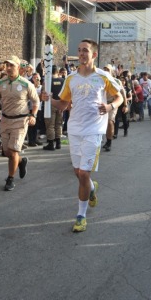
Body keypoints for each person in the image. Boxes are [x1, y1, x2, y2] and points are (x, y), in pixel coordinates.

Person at [41, 39, 122, 232]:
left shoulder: (103, 77)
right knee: (78, 173)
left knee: (84, 173)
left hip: (94, 130)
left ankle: (81, 215)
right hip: (75, 130)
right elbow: (63, 104)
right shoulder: (71, 78)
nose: (81, 54)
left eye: (85, 50)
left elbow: (119, 96)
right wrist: (49, 100)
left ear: (94, 55)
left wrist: (110, 106)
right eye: (79, 50)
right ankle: (91, 188)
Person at [0, 55, 39, 191]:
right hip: (5, 120)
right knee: (7, 152)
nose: (8, 68)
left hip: (20, 120)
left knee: (12, 151)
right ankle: (21, 161)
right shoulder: (1, 83)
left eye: (11, 65)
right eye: (7, 65)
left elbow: (35, 102)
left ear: (18, 67)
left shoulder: (26, 84)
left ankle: (10, 178)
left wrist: (33, 115)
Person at [43, 65, 65, 151]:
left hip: (50, 104)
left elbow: (43, 92)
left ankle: (51, 143)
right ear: (57, 71)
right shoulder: (63, 80)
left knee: (50, 125)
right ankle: (58, 142)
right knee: (58, 124)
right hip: (60, 103)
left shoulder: (48, 81)